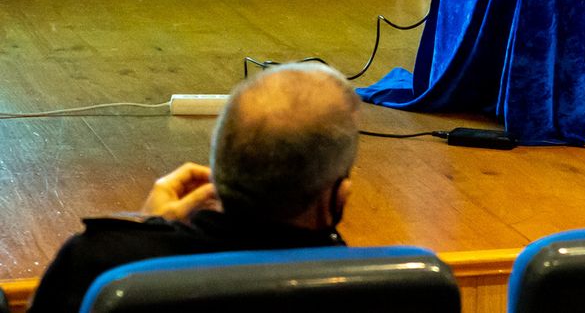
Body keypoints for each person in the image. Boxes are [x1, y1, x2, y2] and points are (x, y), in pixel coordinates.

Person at [28, 62, 360, 313]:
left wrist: (145, 231)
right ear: (338, 196)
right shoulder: (369, 284)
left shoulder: (98, 263)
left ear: (216, 168)